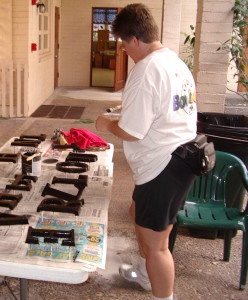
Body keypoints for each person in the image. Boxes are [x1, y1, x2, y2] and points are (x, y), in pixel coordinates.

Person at [95, 4, 197, 300]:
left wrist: (107, 123)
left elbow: (131, 130)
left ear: (135, 40)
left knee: (158, 245)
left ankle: (163, 295)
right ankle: (143, 271)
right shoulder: (174, 62)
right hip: (179, 159)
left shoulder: (146, 69)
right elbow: (161, 106)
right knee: (136, 212)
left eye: (125, 46)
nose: (126, 52)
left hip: (162, 165)